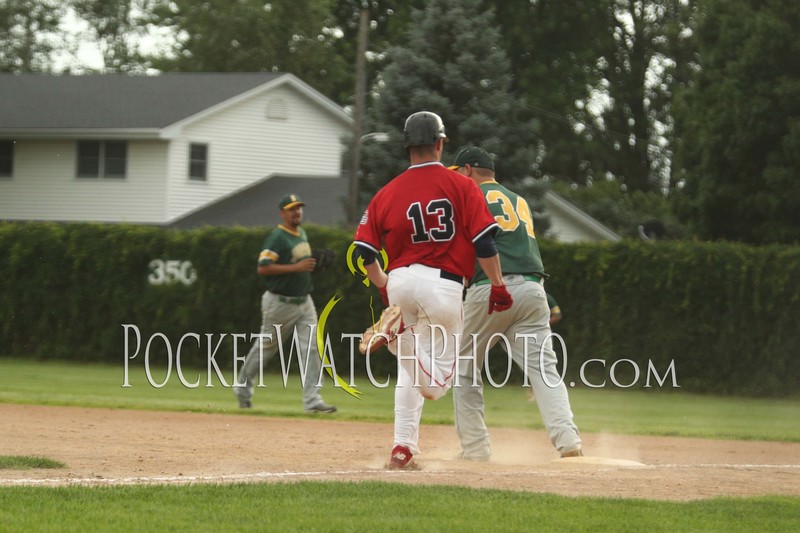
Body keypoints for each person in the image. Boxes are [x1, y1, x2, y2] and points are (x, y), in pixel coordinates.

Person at [353, 111, 513, 470]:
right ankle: (402, 337)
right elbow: (485, 242)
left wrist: (383, 287)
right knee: (437, 384)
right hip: (442, 285)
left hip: (400, 282)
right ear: (441, 144)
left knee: (411, 372)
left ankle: (402, 447)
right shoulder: (461, 185)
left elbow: (364, 251)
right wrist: (499, 287)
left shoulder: (386, 192)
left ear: (407, 146)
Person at [448, 146, 583, 460]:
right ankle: (569, 442)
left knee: (464, 368)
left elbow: (474, 248)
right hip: (534, 290)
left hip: (491, 288)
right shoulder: (518, 200)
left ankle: (476, 450)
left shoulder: (470, 197)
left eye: (458, 173)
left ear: (467, 170)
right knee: (544, 371)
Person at [233, 193, 337, 414]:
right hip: (280, 303)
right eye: (292, 209)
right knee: (265, 350)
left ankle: (312, 400)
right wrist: (296, 269)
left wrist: (314, 268)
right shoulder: (277, 237)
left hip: (304, 301)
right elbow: (263, 267)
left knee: (311, 349)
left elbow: (300, 266)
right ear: (283, 213)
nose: (297, 211)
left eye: (299, 207)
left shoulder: (302, 233)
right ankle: (242, 390)